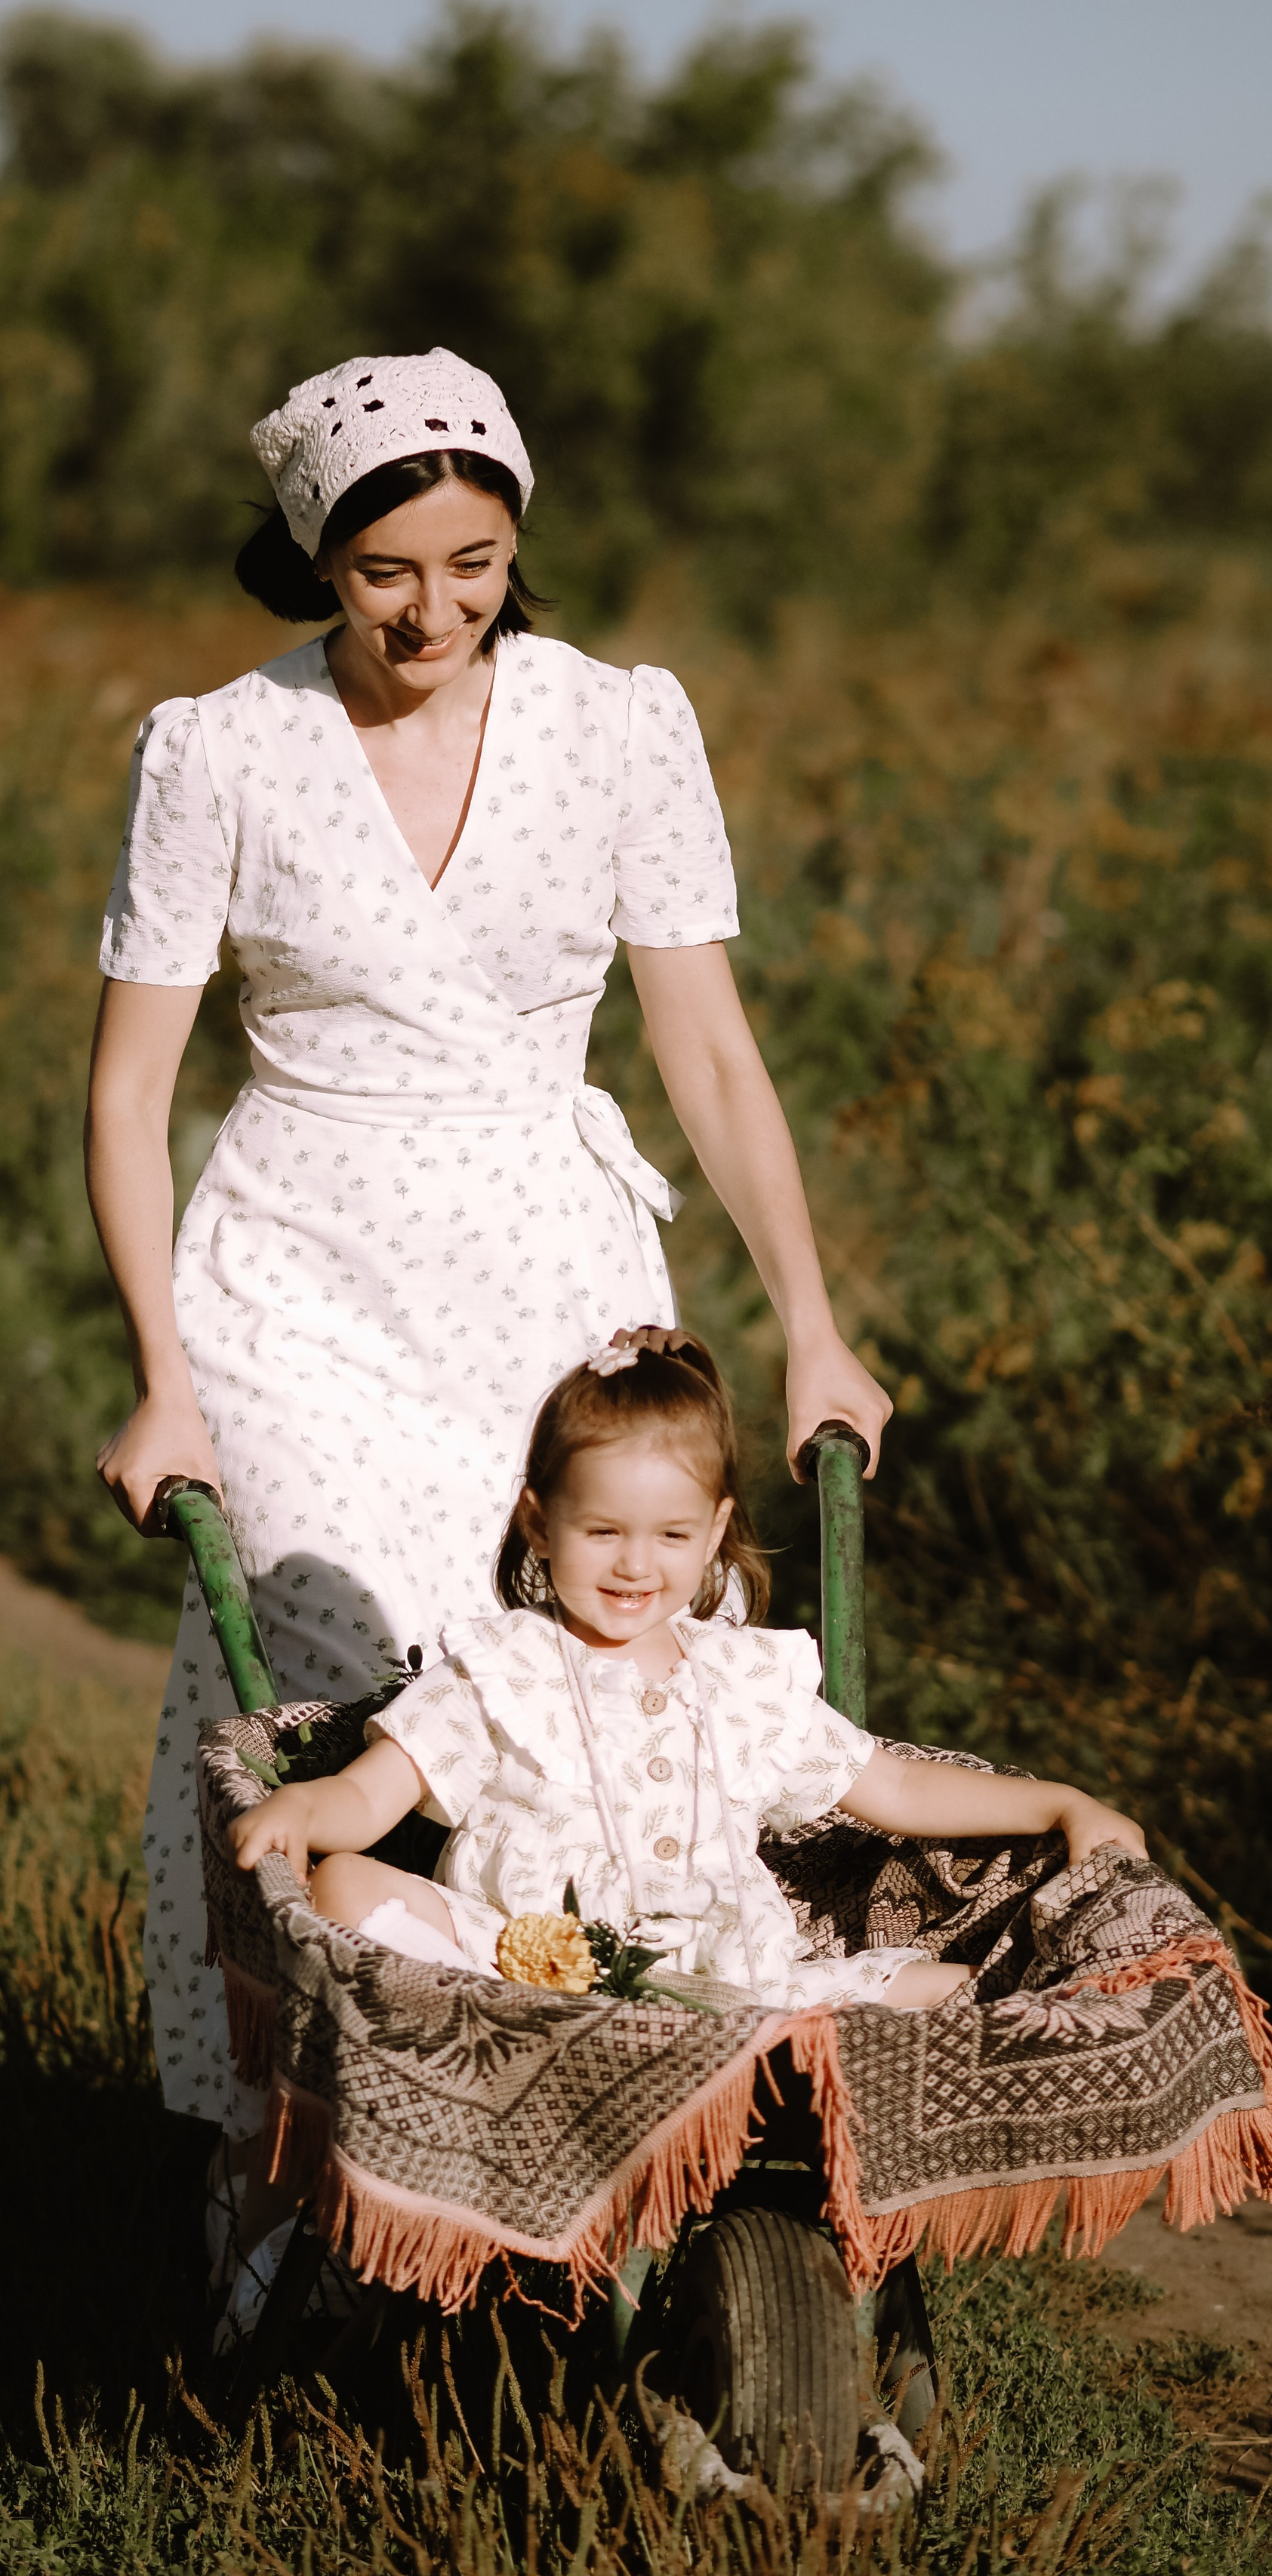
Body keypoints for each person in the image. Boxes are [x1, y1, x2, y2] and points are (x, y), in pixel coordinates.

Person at [84, 345, 889, 2165]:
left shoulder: (616, 725)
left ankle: (616, 2090)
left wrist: (814, 1323)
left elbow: (702, 1049)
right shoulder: (220, 748)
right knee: (340, 1682)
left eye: (473, 560)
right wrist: (161, 1377)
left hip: (548, 1256)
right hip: (300, 1271)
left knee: (607, 1667)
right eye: (384, 572)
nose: (432, 605)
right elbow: (131, 1096)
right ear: (316, 557)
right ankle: (306, 2141)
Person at [232, 1332, 1147, 2010]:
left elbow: (896, 1784)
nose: (636, 1564)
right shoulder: (502, 1670)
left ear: (713, 1531)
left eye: (671, 1535)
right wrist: (305, 1809)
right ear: (539, 1524)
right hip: (523, 1977)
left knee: (969, 1991)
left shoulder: (741, 1681)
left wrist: (1059, 1801)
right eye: (602, 1532)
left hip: (734, 1994)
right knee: (347, 1883)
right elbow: (368, 1791)